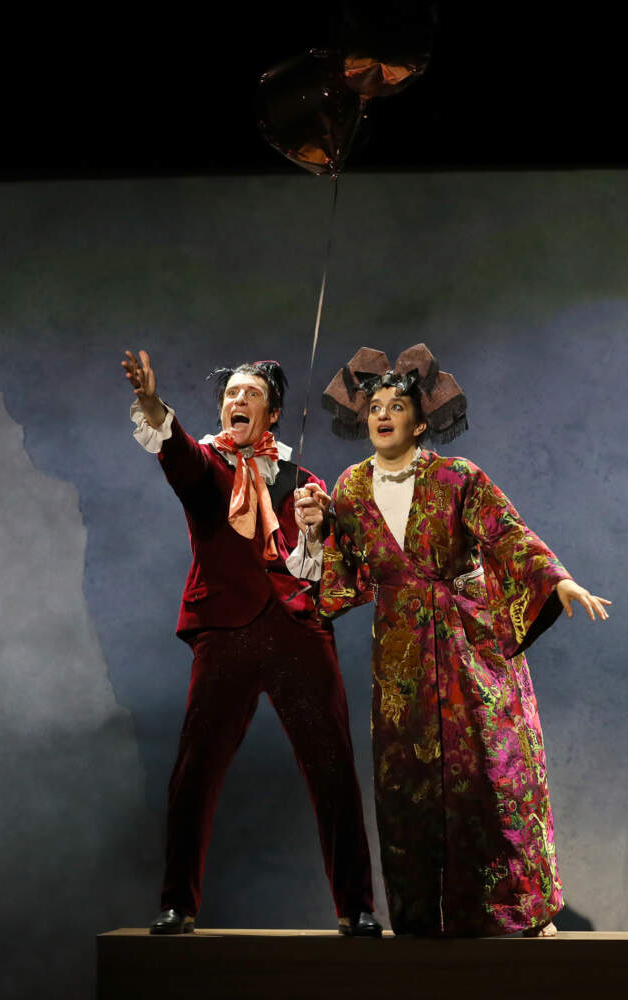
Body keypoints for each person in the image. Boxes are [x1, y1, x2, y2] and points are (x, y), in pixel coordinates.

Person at [313, 343, 611, 938]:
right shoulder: (349, 489)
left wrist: (558, 579)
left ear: (420, 422)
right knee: (409, 780)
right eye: (375, 406)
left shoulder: (457, 477)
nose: (383, 414)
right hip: (401, 653)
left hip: (469, 643)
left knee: (491, 771)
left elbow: (508, 533)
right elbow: (344, 577)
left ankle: (519, 911)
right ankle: (422, 918)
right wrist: (316, 529)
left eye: (397, 406)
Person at [121, 349, 380, 937]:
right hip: (225, 630)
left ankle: (357, 905)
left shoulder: (303, 480)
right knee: (195, 769)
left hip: (297, 630)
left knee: (333, 766)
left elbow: (319, 573)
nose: (237, 400)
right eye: (231, 394)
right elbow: (176, 453)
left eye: (251, 394)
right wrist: (151, 404)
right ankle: (177, 903)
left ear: (274, 412)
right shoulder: (205, 463)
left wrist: (318, 528)